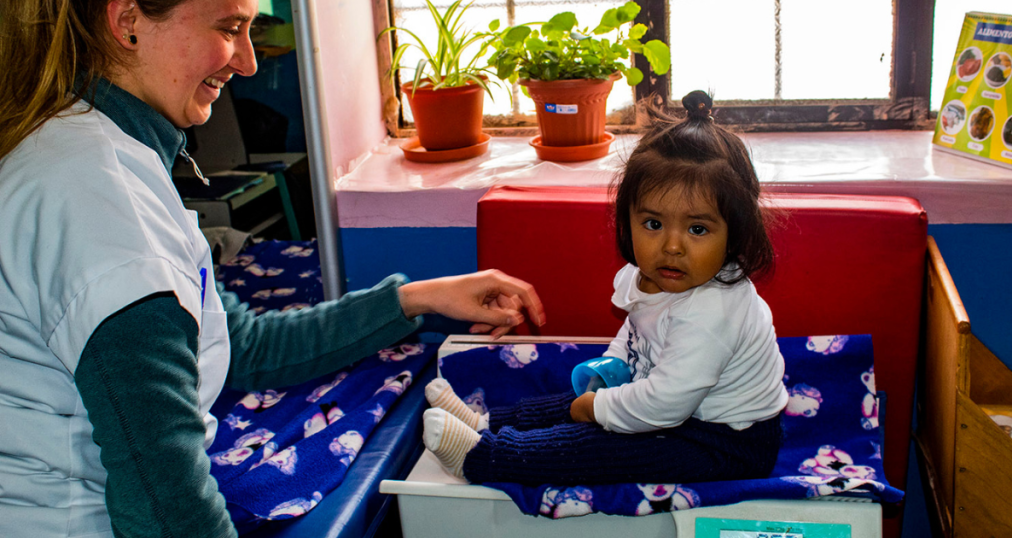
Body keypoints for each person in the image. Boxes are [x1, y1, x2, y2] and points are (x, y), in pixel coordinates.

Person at [0, 1, 544, 537]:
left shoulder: (98, 147)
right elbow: (165, 501)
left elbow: (244, 344)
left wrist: (417, 299)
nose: (248, 62)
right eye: (230, 28)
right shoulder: (99, 202)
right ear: (128, 23)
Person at [421, 90, 788, 486]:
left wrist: (597, 409)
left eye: (698, 229)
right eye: (652, 224)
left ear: (735, 234)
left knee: (606, 447)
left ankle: (485, 458)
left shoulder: (712, 311)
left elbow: (664, 405)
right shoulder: (651, 275)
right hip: (675, 403)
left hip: (725, 442)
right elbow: (637, 331)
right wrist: (613, 369)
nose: (672, 246)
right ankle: (487, 422)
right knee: (582, 400)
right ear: (626, 220)